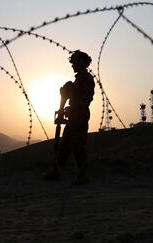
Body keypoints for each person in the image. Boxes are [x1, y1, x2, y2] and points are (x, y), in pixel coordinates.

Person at [44, 50, 95, 185]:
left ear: (82, 63)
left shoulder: (87, 79)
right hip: (73, 115)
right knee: (65, 145)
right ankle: (56, 171)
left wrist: (71, 101)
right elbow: (68, 95)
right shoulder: (77, 80)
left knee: (77, 144)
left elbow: (86, 99)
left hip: (80, 115)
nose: (72, 65)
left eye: (75, 62)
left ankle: (82, 175)